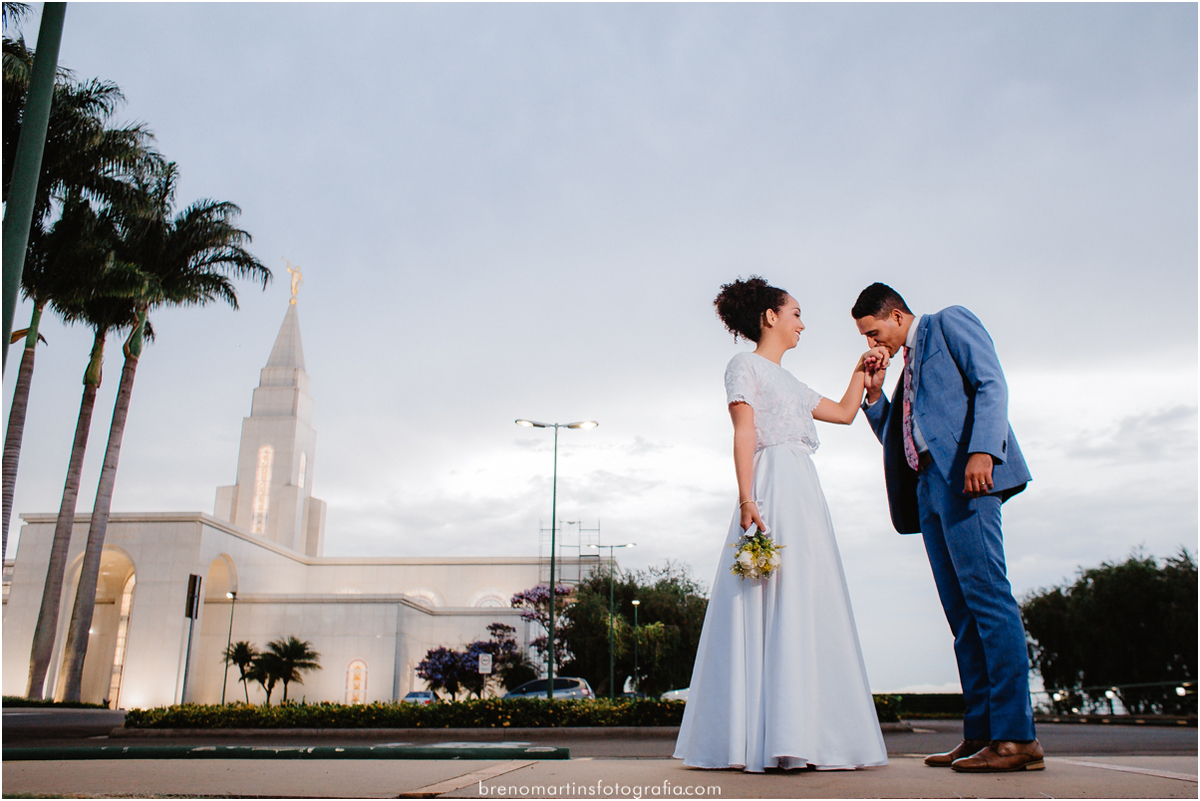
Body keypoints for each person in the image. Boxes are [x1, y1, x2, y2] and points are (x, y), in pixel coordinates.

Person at [673, 276, 890, 773]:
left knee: (807, 593)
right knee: (768, 592)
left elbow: (844, 413)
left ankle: (805, 735)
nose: (802, 324)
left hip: (803, 488)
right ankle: (763, 738)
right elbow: (744, 432)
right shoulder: (743, 366)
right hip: (771, 485)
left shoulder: (791, 382)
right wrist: (747, 498)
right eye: (796, 313)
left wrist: (861, 371)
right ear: (770, 317)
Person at [852, 282, 1043, 773]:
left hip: (967, 478)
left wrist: (984, 451)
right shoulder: (905, 370)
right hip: (927, 488)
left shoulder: (948, 322)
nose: (873, 343)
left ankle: (1017, 738)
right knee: (961, 617)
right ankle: (981, 734)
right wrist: (874, 396)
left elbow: (991, 383)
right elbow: (900, 437)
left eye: (874, 332)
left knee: (988, 601)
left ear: (896, 315)